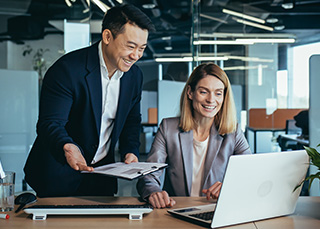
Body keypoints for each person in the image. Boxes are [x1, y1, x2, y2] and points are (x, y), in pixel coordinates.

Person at [23, 4, 155, 197]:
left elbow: (131, 120)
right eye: (130, 46)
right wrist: (68, 147)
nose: (136, 56)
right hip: (58, 173)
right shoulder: (67, 70)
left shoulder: (134, 76)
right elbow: (50, 123)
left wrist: (131, 150)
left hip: (101, 176)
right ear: (107, 37)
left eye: (141, 48)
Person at [137, 62, 251, 208]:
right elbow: (148, 176)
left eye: (218, 93)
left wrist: (230, 187)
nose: (211, 100)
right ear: (190, 93)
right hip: (177, 210)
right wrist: (153, 192)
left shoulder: (233, 132)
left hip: (216, 211)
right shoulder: (168, 128)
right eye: (204, 92)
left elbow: (249, 175)